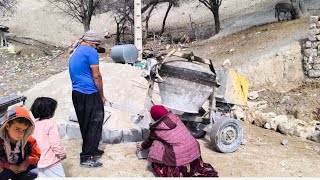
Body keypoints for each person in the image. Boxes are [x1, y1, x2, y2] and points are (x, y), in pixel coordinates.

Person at [136, 105, 219, 177]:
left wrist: (142, 146)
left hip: (179, 159)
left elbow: (149, 140)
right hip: (194, 152)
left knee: (156, 143)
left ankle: (166, 168)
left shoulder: (157, 130)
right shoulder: (175, 118)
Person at [68, 30, 106, 168]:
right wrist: (101, 95)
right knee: (95, 123)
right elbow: (97, 76)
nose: (97, 47)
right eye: (97, 45)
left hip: (77, 93)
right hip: (89, 93)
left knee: (85, 123)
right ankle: (86, 157)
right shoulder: (91, 52)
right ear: (92, 43)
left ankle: (92, 149)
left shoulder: (76, 51)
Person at [0, 106, 41, 180]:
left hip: (22, 167)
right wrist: (8, 166)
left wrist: (25, 164)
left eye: (24, 130)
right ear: (7, 126)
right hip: (6, 167)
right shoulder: (1, 140)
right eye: (17, 129)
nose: (20, 134)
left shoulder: (29, 140)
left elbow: (35, 154)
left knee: (33, 173)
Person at [31, 97, 66, 177]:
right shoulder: (51, 124)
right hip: (51, 162)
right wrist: (62, 155)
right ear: (49, 111)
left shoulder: (33, 124)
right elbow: (56, 144)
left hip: (37, 162)